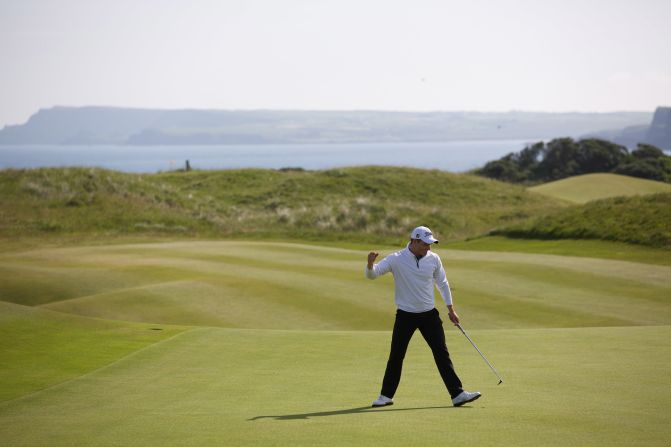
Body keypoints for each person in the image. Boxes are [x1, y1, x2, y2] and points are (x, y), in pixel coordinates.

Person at [365, 225, 481, 407]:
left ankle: (457, 394)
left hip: (429, 315)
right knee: (396, 355)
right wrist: (370, 264)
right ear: (414, 241)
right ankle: (385, 396)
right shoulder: (396, 259)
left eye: (430, 244)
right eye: (425, 244)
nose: (429, 247)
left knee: (441, 354)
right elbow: (373, 275)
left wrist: (451, 309)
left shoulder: (433, 259)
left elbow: (442, 283)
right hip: (405, 316)